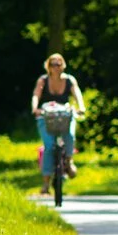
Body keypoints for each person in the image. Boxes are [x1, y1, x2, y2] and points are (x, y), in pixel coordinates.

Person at [30, 53, 86, 196]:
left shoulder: (69, 80)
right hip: (46, 115)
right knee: (49, 147)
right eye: (53, 64)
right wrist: (35, 108)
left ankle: (69, 160)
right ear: (48, 66)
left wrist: (81, 107)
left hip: (64, 114)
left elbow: (77, 93)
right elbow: (36, 94)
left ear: (63, 65)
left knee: (70, 136)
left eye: (59, 64)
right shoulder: (43, 80)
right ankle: (46, 184)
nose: (56, 67)